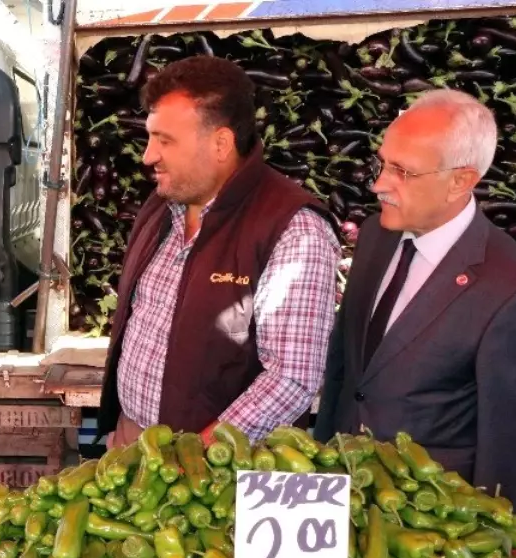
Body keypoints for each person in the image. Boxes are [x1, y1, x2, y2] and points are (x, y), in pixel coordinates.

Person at [98, 56, 341, 450]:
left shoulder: (293, 228)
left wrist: (199, 454)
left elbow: (291, 377)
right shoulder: (163, 204)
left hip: (221, 467)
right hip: (133, 442)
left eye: (165, 140)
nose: (148, 156)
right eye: (150, 137)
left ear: (221, 143)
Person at [316, 89, 516, 519]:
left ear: (461, 181)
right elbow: (344, 368)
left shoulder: (511, 286)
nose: (380, 183)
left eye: (402, 171)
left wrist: (491, 542)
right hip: (343, 493)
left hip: (430, 519)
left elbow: (510, 437)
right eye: (383, 163)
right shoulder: (376, 237)